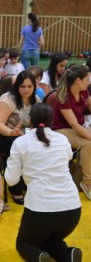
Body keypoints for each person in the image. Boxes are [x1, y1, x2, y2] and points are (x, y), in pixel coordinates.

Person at [5, 103, 82, 262]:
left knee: (24, 243)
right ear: (51, 120)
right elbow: (67, 157)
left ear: (29, 120)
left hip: (40, 209)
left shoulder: (21, 142)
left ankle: (38, 257)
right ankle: (68, 254)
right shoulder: (62, 139)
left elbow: (11, 180)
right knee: (51, 241)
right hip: (72, 209)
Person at [0, 70, 39, 204]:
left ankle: (29, 183)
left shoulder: (36, 99)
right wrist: (12, 133)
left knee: (36, 147)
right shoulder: (8, 99)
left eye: (29, 86)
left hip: (23, 134)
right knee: (19, 149)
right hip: (3, 133)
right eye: (22, 86)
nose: (26, 90)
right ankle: (16, 189)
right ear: (17, 86)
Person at [52, 64, 91, 201]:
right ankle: (87, 183)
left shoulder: (83, 92)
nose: (89, 82)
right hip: (61, 130)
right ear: (78, 81)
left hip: (78, 126)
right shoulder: (64, 96)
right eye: (87, 79)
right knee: (88, 144)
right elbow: (73, 124)